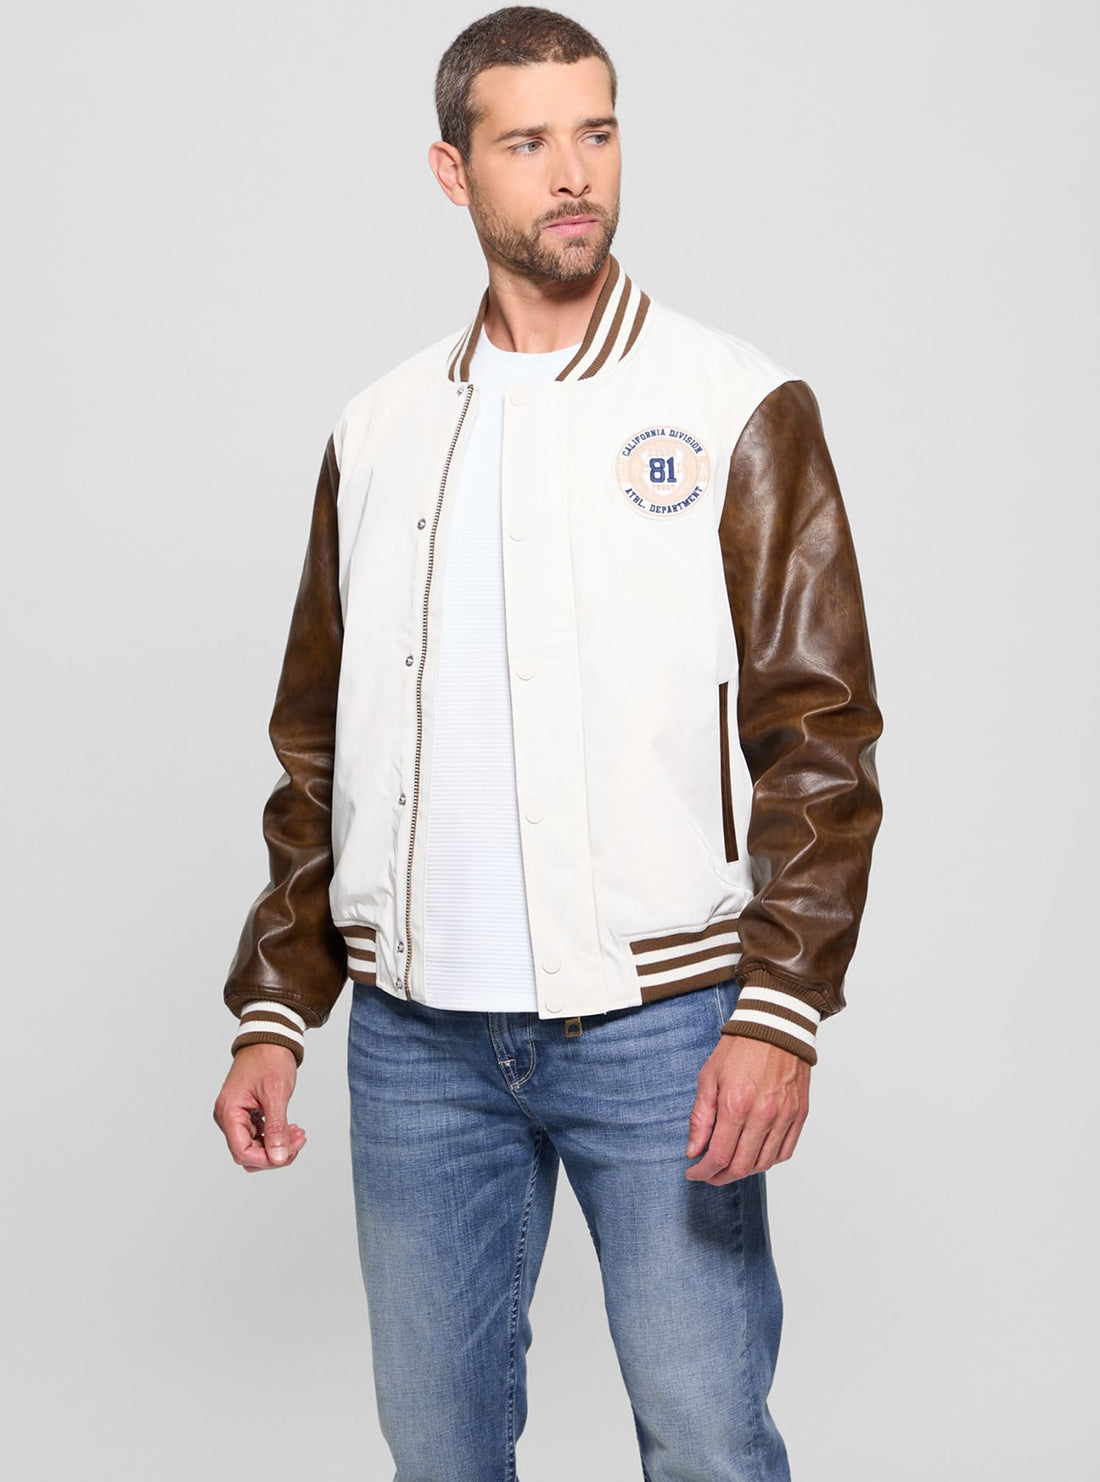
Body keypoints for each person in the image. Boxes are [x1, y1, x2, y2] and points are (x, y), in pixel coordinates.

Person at [212, 8, 883, 1478]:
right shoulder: (377, 429)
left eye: (598, 131)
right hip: (414, 1043)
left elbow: (822, 733)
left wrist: (780, 1009)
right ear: (454, 173)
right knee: (438, 1448)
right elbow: (318, 743)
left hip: (664, 1024)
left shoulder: (733, 403)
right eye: (528, 142)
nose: (575, 173)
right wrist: (275, 1007)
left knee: (707, 1436)